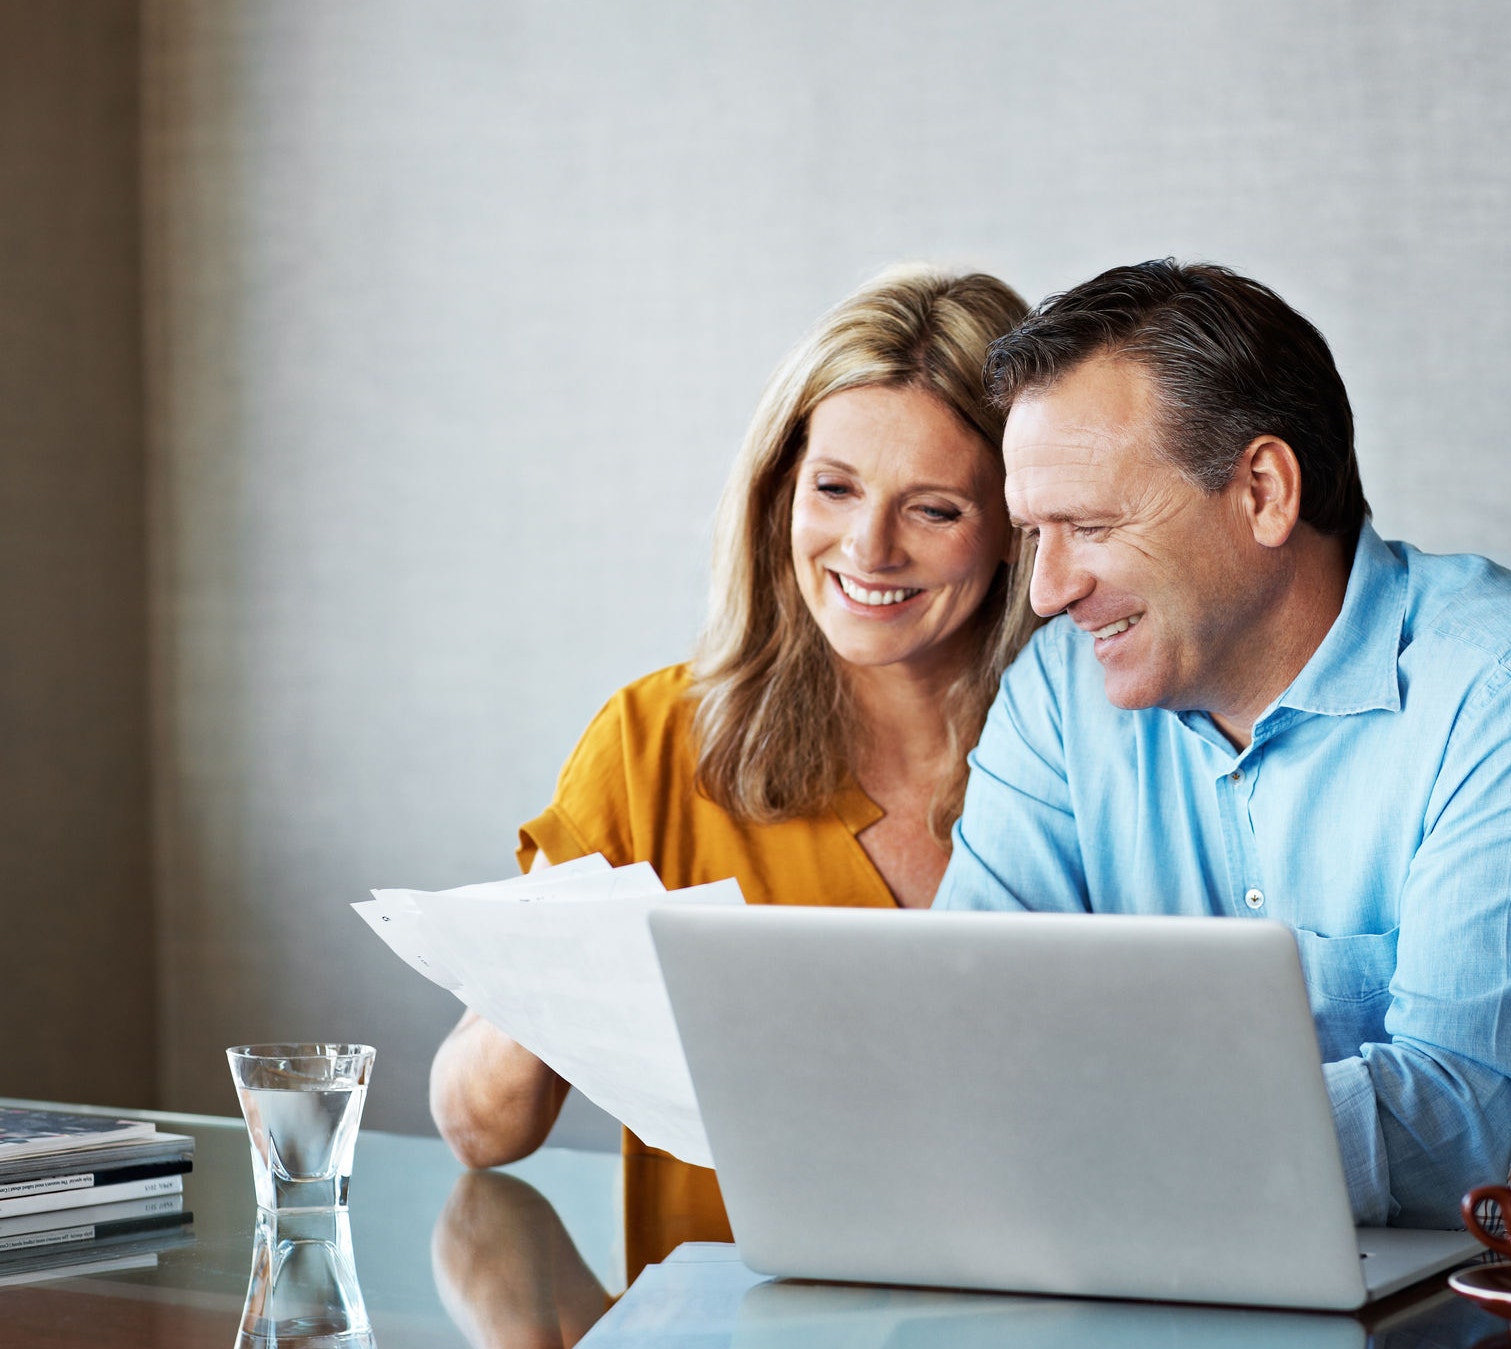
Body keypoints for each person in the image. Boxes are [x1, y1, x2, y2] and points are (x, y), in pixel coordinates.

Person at [431, 264, 1040, 1276]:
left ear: (1018, 529)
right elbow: (480, 1129)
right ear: (777, 494)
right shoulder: (656, 738)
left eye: (932, 509)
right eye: (833, 488)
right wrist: (558, 958)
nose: (867, 547)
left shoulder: (1098, 758)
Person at [935, 257, 1511, 1230]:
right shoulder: (1053, 699)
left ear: (1261, 491)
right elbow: (961, 1035)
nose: (1045, 590)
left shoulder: (1484, 692)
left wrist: (1091, 1131)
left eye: (1087, 524)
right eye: (1036, 534)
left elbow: (1468, 1121)